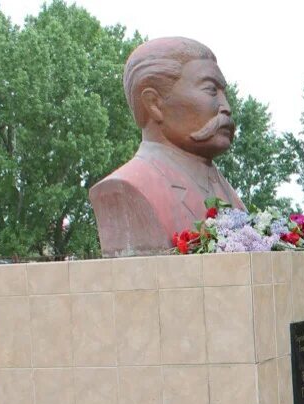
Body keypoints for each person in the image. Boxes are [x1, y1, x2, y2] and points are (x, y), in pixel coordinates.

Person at [90, 37, 245, 256]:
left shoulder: (226, 190)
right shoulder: (125, 187)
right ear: (154, 104)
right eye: (211, 90)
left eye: (224, 93)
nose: (226, 107)